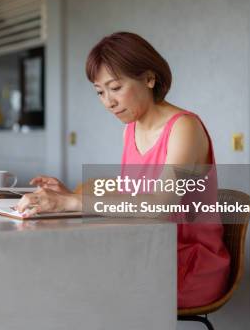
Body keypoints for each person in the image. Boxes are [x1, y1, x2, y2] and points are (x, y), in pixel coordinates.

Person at [16, 32, 230, 308]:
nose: (108, 102)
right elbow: (132, 198)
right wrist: (69, 196)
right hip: (144, 250)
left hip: (187, 263)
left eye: (115, 87)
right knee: (55, 275)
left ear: (149, 79)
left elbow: (159, 206)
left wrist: (71, 201)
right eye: (100, 92)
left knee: (71, 287)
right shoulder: (131, 130)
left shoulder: (184, 128)